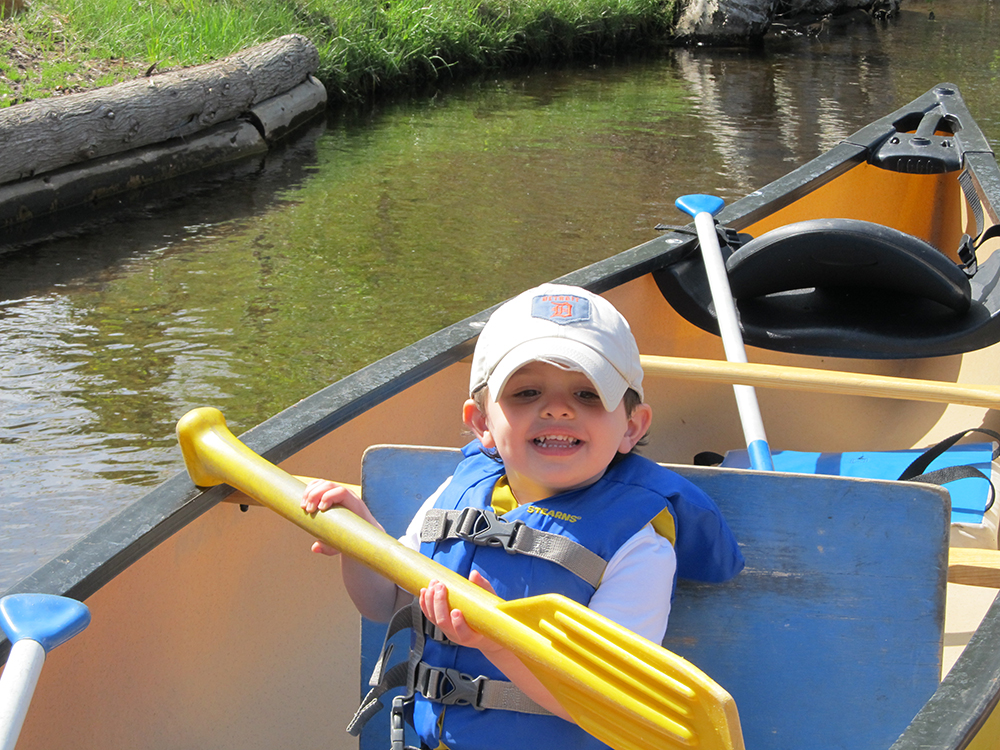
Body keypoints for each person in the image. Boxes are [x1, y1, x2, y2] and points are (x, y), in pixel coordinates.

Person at [301, 283, 744, 750]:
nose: (557, 407)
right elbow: (385, 602)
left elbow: (610, 699)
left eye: (588, 394)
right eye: (526, 392)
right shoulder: (462, 491)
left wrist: (496, 642)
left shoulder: (639, 545)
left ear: (631, 427)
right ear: (482, 423)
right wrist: (358, 540)